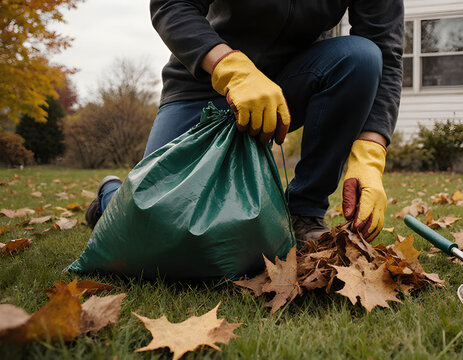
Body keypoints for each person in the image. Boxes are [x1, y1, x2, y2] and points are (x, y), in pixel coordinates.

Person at [85, 0, 403, 246]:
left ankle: (304, 213)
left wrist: (371, 155)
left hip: (290, 85)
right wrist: (231, 68)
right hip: (205, 83)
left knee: (362, 57)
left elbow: (385, 49)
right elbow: (173, 5)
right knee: (155, 223)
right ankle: (113, 196)